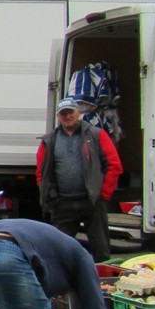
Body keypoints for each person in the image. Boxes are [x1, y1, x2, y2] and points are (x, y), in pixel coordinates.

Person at [35, 97, 122, 262]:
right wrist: (50, 195)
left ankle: (103, 282)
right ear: (58, 117)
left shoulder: (97, 135)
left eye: (71, 112)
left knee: (101, 251)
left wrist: (103, 195)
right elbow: (41, 172)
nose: (68, 116)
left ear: (79, 113)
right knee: (58, 251)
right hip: (62, 204)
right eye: (63, 113)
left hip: (92, 202)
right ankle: (61, 285)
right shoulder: (49, 140)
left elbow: (114, 165)